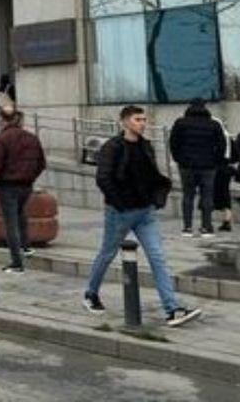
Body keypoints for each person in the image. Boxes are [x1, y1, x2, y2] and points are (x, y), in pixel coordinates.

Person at [83, 105, 202, 327]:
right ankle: (91, 293)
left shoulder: (146, 146)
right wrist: (119, 204)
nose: (143, 123)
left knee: (158, 257)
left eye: (144, 119)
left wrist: (157, 197)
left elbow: (152, 175)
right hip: (120, 213)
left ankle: (172, 309)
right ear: (124, 122)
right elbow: (104, 178)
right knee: (107, 253)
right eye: (138, 119)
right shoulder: (112, 147)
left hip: (145, 212)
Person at [0, 105, 46, 274]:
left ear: (2, 119)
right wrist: (30, 178)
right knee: (20, 215)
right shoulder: (32, 138)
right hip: (26, 185)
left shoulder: (1, 139)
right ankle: (25, 247)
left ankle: (16, 262)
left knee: (10, 222)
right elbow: (41, 163)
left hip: (6, 185)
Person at [168, 99, 227, 238]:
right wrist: (216, 161)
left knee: (188, 195)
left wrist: (179, 159)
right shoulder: (214, 124)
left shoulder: (180, 123)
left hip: (187, 165)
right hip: (208, 166)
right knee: (207, 196)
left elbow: (173, 143)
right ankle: (206, 227)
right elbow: (222, 145)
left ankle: (187, 227)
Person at [213, 116, 236, 232]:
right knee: (225, 193)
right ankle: (227, 219)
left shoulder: (216, 137)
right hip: (226, 166)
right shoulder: (228, 136)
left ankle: (208, 221)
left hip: (216, 166)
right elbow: (235, 154)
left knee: (213, 192)